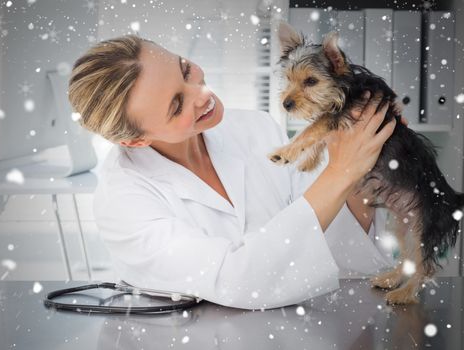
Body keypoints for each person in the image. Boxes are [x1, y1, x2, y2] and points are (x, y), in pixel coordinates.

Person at [68, 35, 400, 310]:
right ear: (135, 139)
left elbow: (329, 242)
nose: (203, 94)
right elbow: (242, 281)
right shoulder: (123, 204)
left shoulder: (254, 128)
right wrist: (341, 171)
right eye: (177, 105)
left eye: (185, 70)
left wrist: (365, 166)